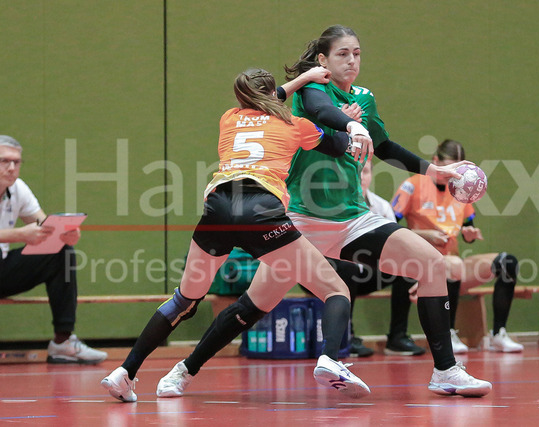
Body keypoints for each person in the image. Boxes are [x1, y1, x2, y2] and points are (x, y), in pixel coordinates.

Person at [155, 25, 492, 399]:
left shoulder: (364, 98)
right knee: (253, 306)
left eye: (357, 53)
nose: (352, 61)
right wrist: (350, 124)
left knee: (432, 265)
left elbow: (384, 147)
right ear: (323, 60)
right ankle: (184, 370)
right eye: (343, 54)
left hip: (353, 219)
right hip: (302, 221)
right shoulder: (312, 90)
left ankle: (445, 371)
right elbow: (321, 111)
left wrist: (433, 171)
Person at [102, 67, 374, 402]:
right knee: (335, 290)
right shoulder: (295, 124)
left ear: (242, 97)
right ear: (271, 94)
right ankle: (331, 359)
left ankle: (125, 372)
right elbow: (339, 146)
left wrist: (301, 80)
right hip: (261, 210)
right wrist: (348, 123)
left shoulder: (229, 118)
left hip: (217, 208)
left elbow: (269, 98)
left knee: (184, 300)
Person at [392, 139, 523, 354]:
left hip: (452, 265)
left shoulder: (460, 190)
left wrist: (469, 234)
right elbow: (390, 227)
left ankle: (498, 333)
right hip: (421, 264)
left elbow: (468, 228)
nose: (452, 174)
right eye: (449, 167)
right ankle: (448, 334)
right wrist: (425, 235)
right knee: (453, 265)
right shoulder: (413, 185)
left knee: (507, 262)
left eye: (458, 169)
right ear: (435, 161)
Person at [0, 135, 107, 364]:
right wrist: (19, 234)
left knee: (60, 251)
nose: (12, 167)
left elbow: (44, 224)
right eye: (4, 161)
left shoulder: (18, 188)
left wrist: (65, 234)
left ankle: (63, 342)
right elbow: (20, 234)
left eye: (16, 162)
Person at [338, 159, 425, 357]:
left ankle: (397, 338)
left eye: (365, 172)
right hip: (331, 273)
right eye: (355, 171)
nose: (361, 177)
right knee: (347, 267)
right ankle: (346, 336)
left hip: (366, 273)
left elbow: (397, 247)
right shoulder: (330, 206)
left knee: (407, 267)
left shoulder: (382, 207)